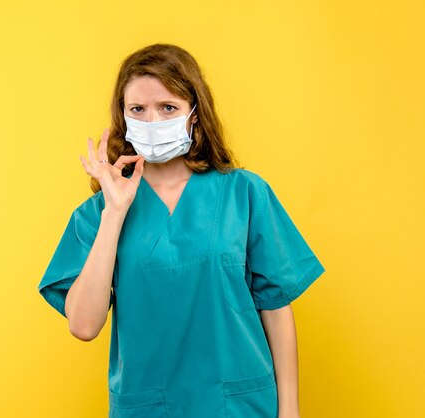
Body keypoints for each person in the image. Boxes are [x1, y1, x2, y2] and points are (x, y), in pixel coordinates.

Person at [37, 43, 324, 418]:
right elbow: (84, 325)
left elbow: (275, 305)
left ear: (193, 114)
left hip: (238, 404)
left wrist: (290, 410)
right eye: (138, 109)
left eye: (167, 107)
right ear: (123, 118)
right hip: (148, 405)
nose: (152, 122)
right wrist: (114, 213)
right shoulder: (99, 214)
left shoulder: (244, 193)